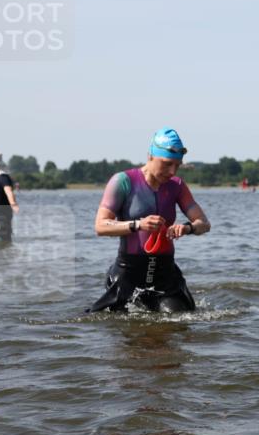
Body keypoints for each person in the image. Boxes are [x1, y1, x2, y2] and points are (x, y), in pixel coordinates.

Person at [89, 127, 211, 313]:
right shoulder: (122, 181)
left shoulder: (177, 186)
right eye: (167, 164)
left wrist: (187, 228)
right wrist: (138, 224)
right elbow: (100, 226)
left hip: (165, 273)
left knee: (178, 319)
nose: (172, 171)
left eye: (177, 165)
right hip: (129, 272)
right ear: (150, 156)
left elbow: (204, 223)